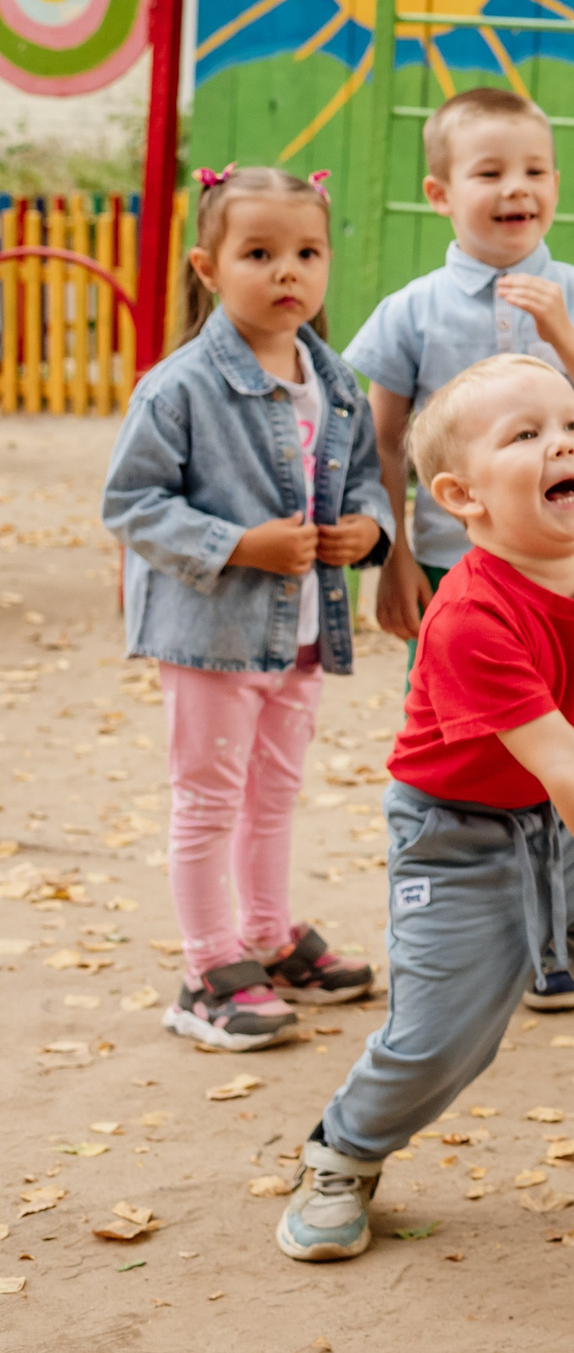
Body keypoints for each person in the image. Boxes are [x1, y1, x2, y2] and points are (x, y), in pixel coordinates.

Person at [274, 355, 574, 1263]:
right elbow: (560, 758)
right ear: (461, 495)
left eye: (570, 424)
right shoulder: (468, 614)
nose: (563, 440)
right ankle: (343, 1151)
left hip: (573, 820)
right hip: (457, 837)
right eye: (524, 434)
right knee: (445, 1037)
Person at [347, 84, 574, 1014]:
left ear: (556, 182)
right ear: (441, 193)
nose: (516, 188)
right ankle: (438, 927)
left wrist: (562, 328)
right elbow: (382, 442)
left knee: (573, 746)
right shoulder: (413, 310)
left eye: (534, 170)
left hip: (570, 574)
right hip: (453, 574)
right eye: (490, 172)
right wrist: (393, 556)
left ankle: (555, 933)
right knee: (455, 752)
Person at [102, 165, 391, 1050]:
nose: (286, 273)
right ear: (208, 265)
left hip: (297, 637)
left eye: (306, 252)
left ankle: (265, 933)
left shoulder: (334, 380)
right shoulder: (179, 386)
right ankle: (205, 968)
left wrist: (365, 532)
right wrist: (239, 545)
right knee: (208, 800)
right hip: (211, 639)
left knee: (274, 794)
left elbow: (371, 482)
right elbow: (132, 504)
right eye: (259, 253)